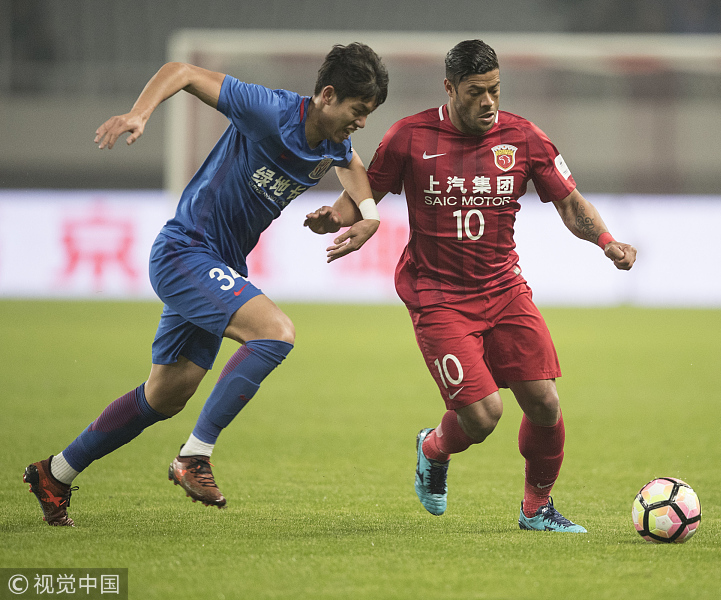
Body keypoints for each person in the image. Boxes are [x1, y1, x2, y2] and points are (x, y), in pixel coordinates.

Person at [23, 43, 389, 526]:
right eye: (358, 111)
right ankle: (194, 456)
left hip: (220, 266)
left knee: (166, 395)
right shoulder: (270, 109)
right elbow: (182, 71)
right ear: (326, 95)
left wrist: (365, 216)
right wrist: (139, 114)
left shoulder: (331, 141)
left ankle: (55, 473)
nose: (361, 122)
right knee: (274, 332)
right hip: (186, 251)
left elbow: (353, 166)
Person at [304, 39, 636, 532]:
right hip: (437, 295)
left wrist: (607, 241)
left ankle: (536, 509)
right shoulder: (409, 137)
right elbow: (366, 190)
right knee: (483, 417)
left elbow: (569, 203)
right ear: (450, 88)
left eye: (495, 90)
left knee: (544, 403)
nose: (489, 102)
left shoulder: (523, 138)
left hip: (504, 290)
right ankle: (433, 448)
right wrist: (336, 216)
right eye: (476, 91)